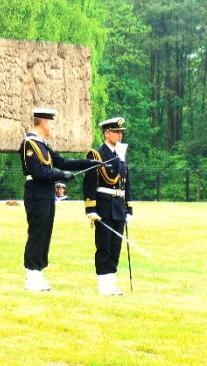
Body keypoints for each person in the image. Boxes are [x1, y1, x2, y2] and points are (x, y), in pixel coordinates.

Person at [19, 108, 98, 291]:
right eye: (51, 124)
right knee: (37, 233)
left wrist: (88, 164)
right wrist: (62, 175)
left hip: (46, 193)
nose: (52, 128)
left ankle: (39, 273)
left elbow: (62, 162)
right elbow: (38, 172)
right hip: (36, 193)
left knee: (45, 233)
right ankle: (31, 276)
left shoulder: (43, 145)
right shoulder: (29, 144)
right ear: (44, 123)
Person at [83, 117, 133, 296]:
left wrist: (129, 208)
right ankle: (103, 283)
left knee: (115, 247)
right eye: (116, 132)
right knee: (104, 246)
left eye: (121, 132)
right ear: (106, 133)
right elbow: (89, 183)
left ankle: (111, 281)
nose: (120, 135)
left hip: (119, 206)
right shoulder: (96, 155)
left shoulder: (120, 154)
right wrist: (90, 209)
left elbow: (126, 183)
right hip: (104, 206)